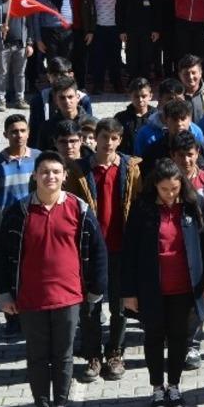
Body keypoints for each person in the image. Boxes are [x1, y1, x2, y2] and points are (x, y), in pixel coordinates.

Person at [0, 151, 108, 407]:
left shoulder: (78, 208)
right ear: (35, 175)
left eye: (56, 172)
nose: (50, 177)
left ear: (64, 176)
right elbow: (3, 254)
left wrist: (96, 289)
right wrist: (6, 294)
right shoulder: (19, 212)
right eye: (45, 171)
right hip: (31, 298)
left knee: (64, 356)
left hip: (69, 297)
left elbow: (98, 251)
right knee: (36, 356)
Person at [121, 159, 204, 407]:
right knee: (153, 338)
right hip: (152, 288)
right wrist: (129, 292)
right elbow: (129, 252)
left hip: (185, 287)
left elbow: (203, 247)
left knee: (179, 338)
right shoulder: (142, 209)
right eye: (165, 190)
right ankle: (157, 389)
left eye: (174, 189)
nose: (171, 195)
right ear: (155, 187)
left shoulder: (193, 206)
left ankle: (174, 386)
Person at [69, 118, 142, 385]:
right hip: (91, 249)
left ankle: (115, 352)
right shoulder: (78, 170)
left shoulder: (131, 168)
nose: (108, 143)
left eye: (113, 138)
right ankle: (92, 354)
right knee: (91, 305)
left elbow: (137, 204)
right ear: (95, 138)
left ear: (119, 140)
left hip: (122, 246)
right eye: (104, 137)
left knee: (120, 305)